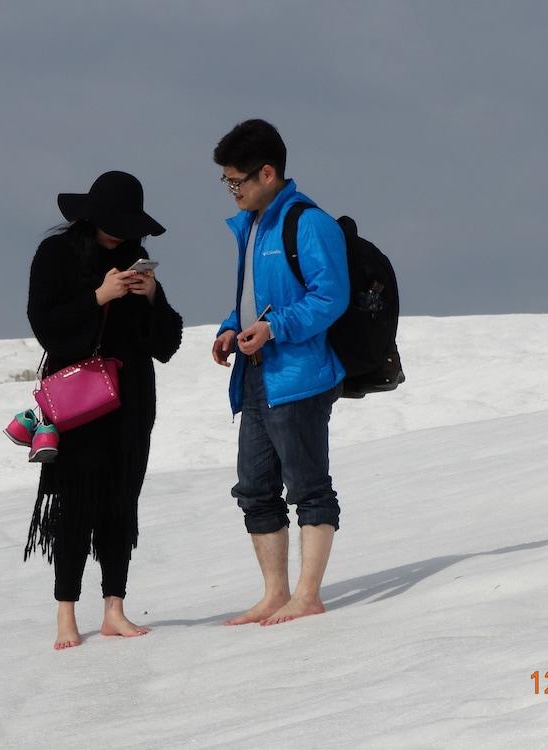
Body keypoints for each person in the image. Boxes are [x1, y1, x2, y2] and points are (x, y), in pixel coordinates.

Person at [24, 170, 183, 649]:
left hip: (132, 397)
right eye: (112, 221)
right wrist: (99, 297)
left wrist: (151, 295)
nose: (119, 231)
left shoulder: (137, 260)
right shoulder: (56, 255)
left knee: (121, 499)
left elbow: (168, 343)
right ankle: (66, 613)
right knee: (75, 499)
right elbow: (46, 326)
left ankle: (115, 606)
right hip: (78, 398)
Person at [211, 119, 349, 626]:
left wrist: (276, 330)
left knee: (308, 485)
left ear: (267, 173)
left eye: (236, 181)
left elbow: (331, 297)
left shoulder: (308, 223)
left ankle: (308, 595)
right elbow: (253, 301)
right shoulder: (251, 226)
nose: (232, 191)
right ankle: (275, 593)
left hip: (300, 375)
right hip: (256, 374)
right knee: (254, 488)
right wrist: (232, 328)